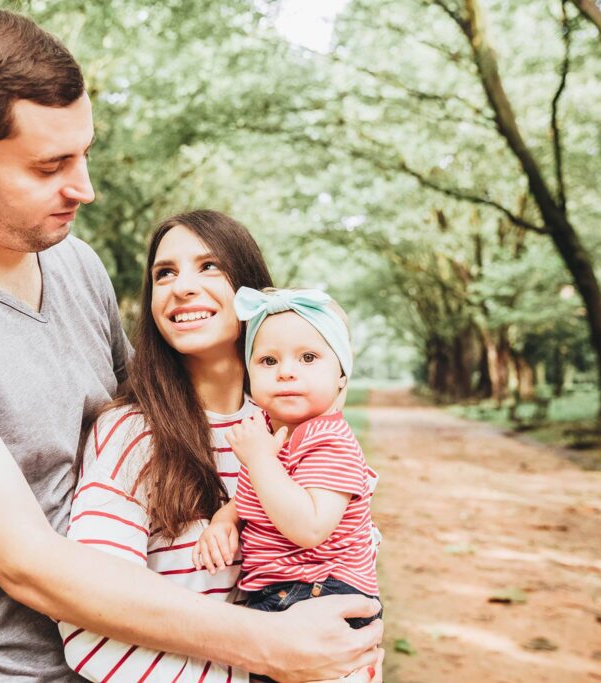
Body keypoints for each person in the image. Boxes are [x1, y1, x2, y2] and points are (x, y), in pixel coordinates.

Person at [0, 9, 382, 681]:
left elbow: (162, 428)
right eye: (51, 164)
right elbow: (26, 562)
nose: (83, 186)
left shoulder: (72, 262)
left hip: (160, 654)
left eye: (83, 152)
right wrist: (266, 644)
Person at [60, 212, 384, 682]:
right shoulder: (132, 432)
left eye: (209, 266)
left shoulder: (297, 430)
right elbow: (91, 627)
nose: (182, 286)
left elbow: (351, 583)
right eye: (164, 273)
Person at [193, 288, 381, 636]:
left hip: (321, 593)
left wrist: (261, 460)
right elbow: (259, 497)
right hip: (283, 593)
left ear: (341, 373)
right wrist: (225, 520)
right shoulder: (268, 430)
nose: (286, 372)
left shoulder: (329, 439)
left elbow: (309, 527)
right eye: (269, 361)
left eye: (308, 358)